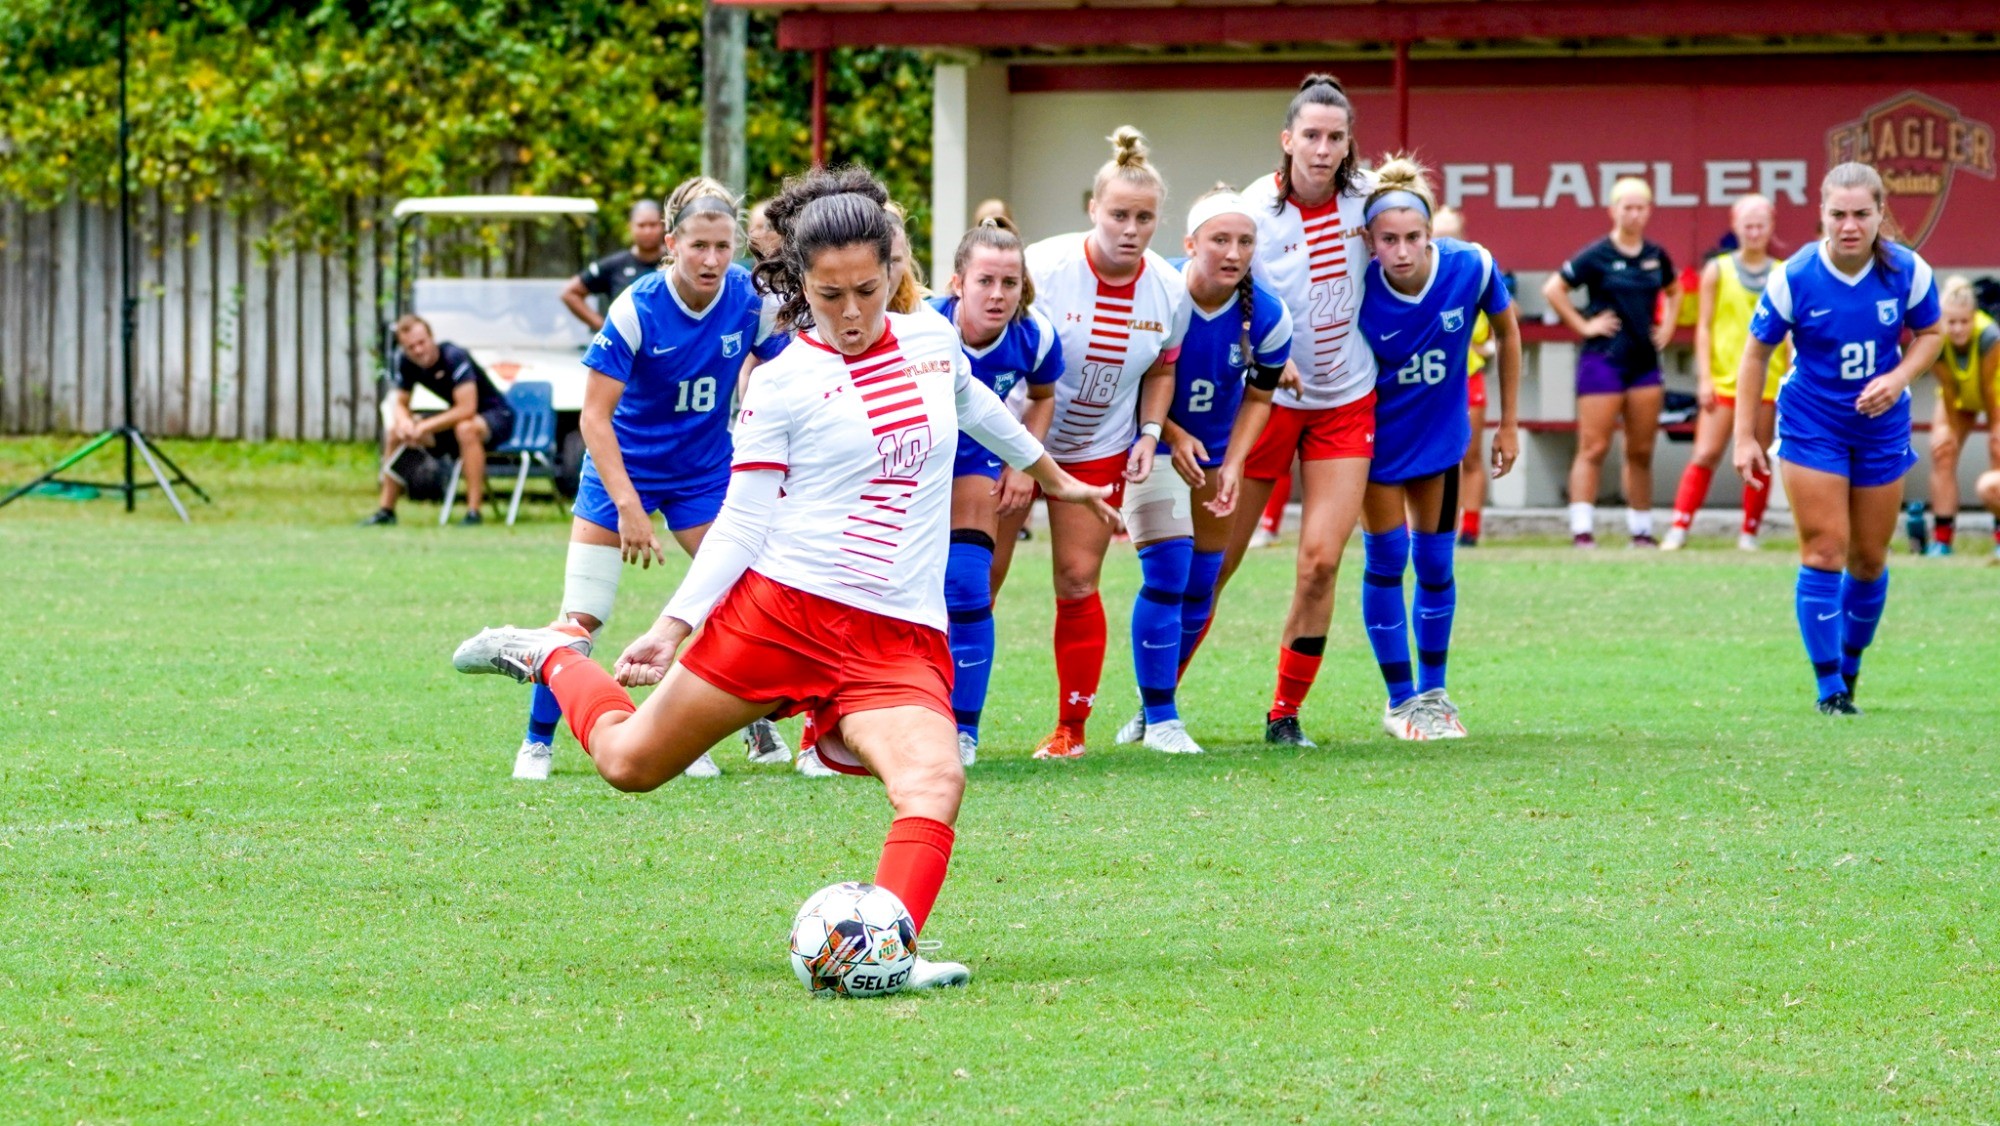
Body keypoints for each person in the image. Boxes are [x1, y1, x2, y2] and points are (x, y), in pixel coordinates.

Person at [451, 166, 1121, 990]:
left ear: (895, 276)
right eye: (828, 294)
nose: (849, 313)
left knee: (936, 779)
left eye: (867, 291)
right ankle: (551, 654)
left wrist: (1053, 476)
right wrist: (673, 625)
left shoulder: (930, 342)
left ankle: (887, 953)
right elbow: (742, 520)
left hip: (894, 635)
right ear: (800, 283)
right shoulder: (781, 383)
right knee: (628, 764)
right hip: (780, 614)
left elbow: (975, 404)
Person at [511, 177, 793, 783]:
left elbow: (791, 370)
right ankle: (537, 741)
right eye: (699, 246)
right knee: (581, 616)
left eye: (723, 246)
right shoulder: (635, 307)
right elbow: (593, 417)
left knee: (734, 599)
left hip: (702, 473)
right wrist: (628, 505)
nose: (713, 259)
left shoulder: (752, 300)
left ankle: (731, 725)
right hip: (623, 470)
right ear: (672, 243)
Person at [1732, 161, 1942, 715]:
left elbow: (1932, 335)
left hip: (1880, 426)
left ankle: (1850, 665)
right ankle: (1828, 688)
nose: (1849, 225)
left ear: (1880, 215)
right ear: (1821, 214)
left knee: (1869, 559)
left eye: (1861, 214)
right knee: (1825, 549)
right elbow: (1755, 353)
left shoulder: (1907, 271)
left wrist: (1898, 378)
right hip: (1812, 423)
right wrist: (1743, 437)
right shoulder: (1795, 275)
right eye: (1837, 214)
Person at [1019, 126, 1190, 760]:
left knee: (1077, 580)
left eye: (1144, 218)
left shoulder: (1168, 289)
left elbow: (1163, 369)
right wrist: (1013, 448)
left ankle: (1071, 731)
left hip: (1097, 446)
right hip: (1011, 440)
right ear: (1094, 209)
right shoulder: (1044, 266)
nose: (1131, 228)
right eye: (1119, 214)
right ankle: (960, 728)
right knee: (975, 584)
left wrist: (1149, 433)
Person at [1224, 73, 1379, 748]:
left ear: (1349, 145)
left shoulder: (1371, 201)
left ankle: (1284, 713)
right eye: (1310, 136)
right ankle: (1158, 707)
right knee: (1214, 563)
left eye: (1334, 138)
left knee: (1320, 561)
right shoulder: (1253, 210)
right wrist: (1256, 345)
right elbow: (1212, 280)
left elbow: (1422, 246)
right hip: (1267, 403)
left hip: (1346, 400)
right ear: (1287, 141)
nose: (1322, 149)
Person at [1112, 187, 1293, 754]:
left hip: (1212, 455)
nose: (1233, 252)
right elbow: (1135, 378)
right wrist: (1169, 431)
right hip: (1151, 444)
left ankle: (1149, 705)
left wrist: (1234, 463)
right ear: (1191, 244)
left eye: (1244, 241)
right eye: (1220, 239)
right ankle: (1165, 718)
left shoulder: (1268, 314)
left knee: (1202, 585)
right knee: (1168, 574)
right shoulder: (1157, 291)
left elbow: (1260, 398)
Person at [1352, 157, 1521, 739]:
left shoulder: (1470, 267)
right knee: (1387, 559)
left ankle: (1435, 694)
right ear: (1369, 240)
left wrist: (1508, 423)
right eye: (1389, 239)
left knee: (1435, 563)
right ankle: (1400, 701)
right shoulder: (1355, 283)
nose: (1402, 251)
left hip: (1440, 437)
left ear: (1432, 235)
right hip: (1373, 444)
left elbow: (1508, 331)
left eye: (1414, 238)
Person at [929, 217, 1063, 765]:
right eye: (985, 281)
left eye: (1010, 282)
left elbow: (1043, 395)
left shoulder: (1035, 336)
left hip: (976, 463)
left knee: (967, 586)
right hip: (910, 463)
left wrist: (1023, 461)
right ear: (958, 282)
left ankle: (962, 730)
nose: (999, 294)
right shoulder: (922, 324)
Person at [1544, 177, 1682, 548]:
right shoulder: (1597, 254)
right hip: (1602, 361)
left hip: (1644, 363)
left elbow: (1674, 288)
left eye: (1641, 207)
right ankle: (1582, 529)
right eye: (1627, 207)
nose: (1634, 214)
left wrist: (1667, 326)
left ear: (1649, 211)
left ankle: (1640, 530)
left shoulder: (1656, 254)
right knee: (1594, 446)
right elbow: (1554, 288)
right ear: (1613, 210)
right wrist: (1583, 324)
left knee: (1640, 449)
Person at [1664, 195, 1787, 552]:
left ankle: (1749, 532)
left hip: (1768, 381)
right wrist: (1704, 377)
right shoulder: (1717, 270)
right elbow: (1703, 327)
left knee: (1758, 456)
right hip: (1723, 380)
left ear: (1771, 226)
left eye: (1760, 225)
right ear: (1734, 226)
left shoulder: (1783, 272)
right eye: (1747, 225)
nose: (1754, 232)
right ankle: (1679, 527)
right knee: (1705, 454)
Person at [364, 315, 514, 526]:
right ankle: (386, 511)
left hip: (497, 416)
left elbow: (466, 408)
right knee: (396, 434)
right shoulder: (406, 362)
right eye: (410, 347)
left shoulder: (454, 356)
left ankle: (473, 513)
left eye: (421, 343)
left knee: (466, 429)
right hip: (458, 420)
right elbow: (400, 402)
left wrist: (423, 426)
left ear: (431, 337)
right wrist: (405, 422)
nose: (418, 350)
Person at [1909, 276, 1998, 555]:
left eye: (1964, 321)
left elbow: (1988, 388)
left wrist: (1995, 429)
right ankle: (1943, 538)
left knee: (1998, 449)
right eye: (1952, 322)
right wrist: (1947, 430)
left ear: (1974, 317)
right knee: (1942, 450)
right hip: (1958, 395)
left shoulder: (1991, 337)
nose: (1958, 328)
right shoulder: (1934, 339)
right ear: (1943, 320)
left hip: (1994, 392)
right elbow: (1948, 388)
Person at [1431, 207, 1496, 547]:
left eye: (1451, 237)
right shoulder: (1417, 277)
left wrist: (1488, 347)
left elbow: (1505, 320)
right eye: (1438, 237)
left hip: (1469, 379)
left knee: (1469, 455)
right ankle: (1432, 528)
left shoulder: (1476, 276)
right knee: (1432, 457)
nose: (1444, 245)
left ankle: (1469, 528)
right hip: (1430, 383)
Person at [562, 201, 667, 332]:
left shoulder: (677, 263)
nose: (647, 231)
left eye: (653, 225)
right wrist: (604, 328)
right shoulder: (615, 265)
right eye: (641, 225)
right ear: (630, 227)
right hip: (626, 348)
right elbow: (569, 293)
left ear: (663, 225)